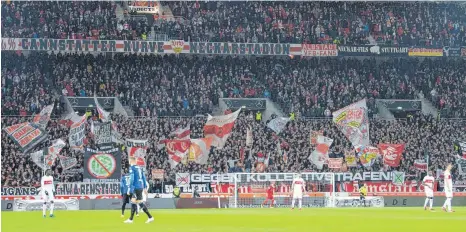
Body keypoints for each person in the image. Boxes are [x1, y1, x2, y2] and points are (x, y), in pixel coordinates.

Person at [124, 157, 154, 224]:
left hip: (136, 187)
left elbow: (132, 178)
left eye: (129, 160)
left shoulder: (132, 168)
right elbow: (143, 177)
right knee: (134, 202)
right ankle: (131, 219)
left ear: (131, 161)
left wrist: (129, 187)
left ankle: (150, 217)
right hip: (140, 186)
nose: (129, 162)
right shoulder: (139, 168)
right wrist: (145, 187)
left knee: (138, 202)